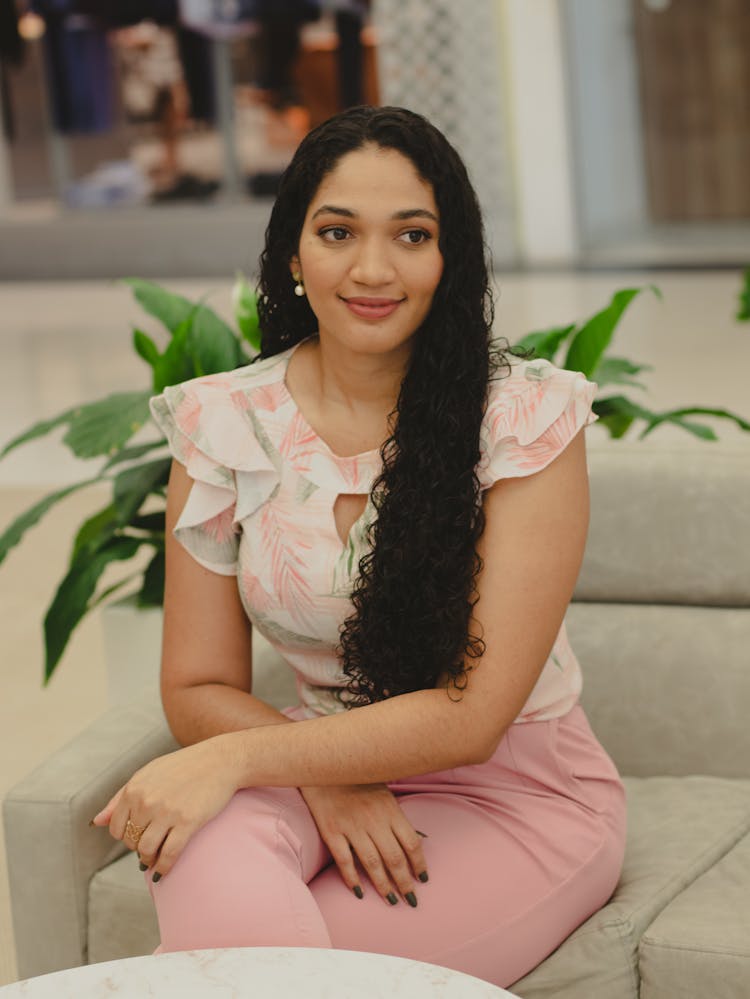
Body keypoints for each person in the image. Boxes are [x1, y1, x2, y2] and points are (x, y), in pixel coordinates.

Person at [92, 105, 626, 989]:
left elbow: (471, 715)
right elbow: (196, 684)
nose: (373, 268)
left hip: (513, 788)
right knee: (217, 879)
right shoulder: (224, 422)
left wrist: (233, 757)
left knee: (273, 968)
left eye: (411, 235)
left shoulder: (527, 421)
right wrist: (324, 782)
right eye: (337, 231)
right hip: (311, 766)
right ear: (293, 253)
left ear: (449, 259)